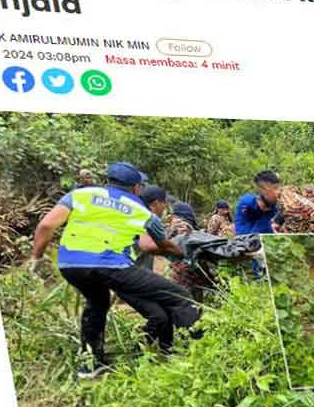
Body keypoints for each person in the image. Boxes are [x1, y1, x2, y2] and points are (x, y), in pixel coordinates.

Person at [29, 162, 199, 378]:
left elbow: (46, 225)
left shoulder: (80, 194)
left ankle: (90, 365)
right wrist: (183, 254)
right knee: (180, 296)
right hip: (112, 266)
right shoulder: (142, 211)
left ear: (108, 180)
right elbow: (163, 244)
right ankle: (197, 356)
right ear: (137, 187)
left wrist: (36, 258)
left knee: (97, 303)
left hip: (71, 265)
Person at [234, 170, 281, 235]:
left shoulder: (274, 206)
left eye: (279, 188)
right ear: (262, 191)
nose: (278, 192)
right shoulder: (247, 202)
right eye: (275, 188)